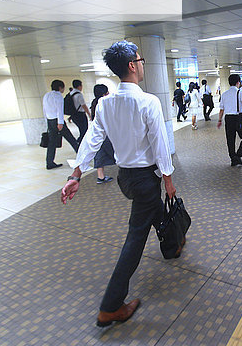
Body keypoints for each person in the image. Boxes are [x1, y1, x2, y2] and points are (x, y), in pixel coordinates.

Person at [62, 40, 176, 327]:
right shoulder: (148, 101)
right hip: (145, 178)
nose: (142, 64)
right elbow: (159, 145)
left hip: (125, 178)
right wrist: (169, 180)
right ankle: (110, 306)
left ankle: (175, 242)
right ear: (131, 65)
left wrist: (76, 173)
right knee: (135, 238)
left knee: (152, 211)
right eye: (140, 59)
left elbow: (92, 139)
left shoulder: (104, 104)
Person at [217, 74, 242, 166]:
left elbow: (221, 109)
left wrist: (220, 120)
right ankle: (238, 155)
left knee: (230, 140)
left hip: (228, 119)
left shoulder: (224, 94)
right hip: (239, 118)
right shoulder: (240, 92)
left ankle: (233, 158)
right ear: (238, 82)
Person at [43, 80, 79, 169]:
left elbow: (44, 109)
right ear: (60, 87)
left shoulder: (46, 95)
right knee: (71, 139)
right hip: (57, 121)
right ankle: (82, 157)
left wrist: (47, 121)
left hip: (50, 120)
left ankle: (49, 162)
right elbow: (60, 110)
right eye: (63, 87)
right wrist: (60, 123)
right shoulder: (58, 96)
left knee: (51, 142)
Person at [90, 84, 115, 184]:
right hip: (106, 133)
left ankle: (100, 177)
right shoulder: (104, 103)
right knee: (116, 154)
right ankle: (129, 173)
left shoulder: (94, 102)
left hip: (97, 133)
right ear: (104, 93)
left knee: (99, 154)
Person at [68, 79, 92, 146]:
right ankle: (81, 143)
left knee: (81, 130)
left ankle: (79, 142)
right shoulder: (79, 94)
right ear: (79, 86)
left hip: (74, 115)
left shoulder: (71, 93)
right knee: (84, 130)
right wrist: (89, 114)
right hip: (80, 115)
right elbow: (83, 105)